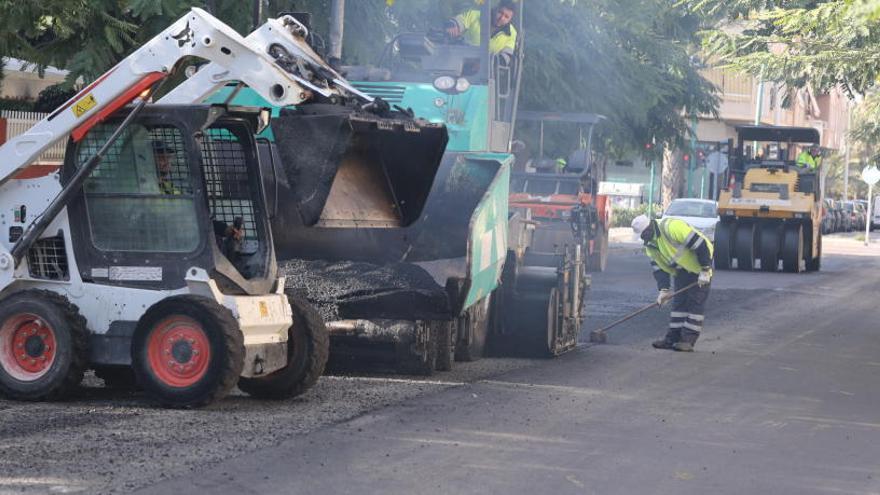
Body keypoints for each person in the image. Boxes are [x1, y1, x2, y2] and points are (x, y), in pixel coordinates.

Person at [631, 214, 714, 352]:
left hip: (700, 264)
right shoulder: (650, 246)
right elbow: (659, 270)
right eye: (641, 236)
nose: (642, 238)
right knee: (679, 304)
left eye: (643, 234)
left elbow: (700, 244)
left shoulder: (671, 227)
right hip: (681, 270)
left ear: (649, 228)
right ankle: (672, 339)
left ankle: (688, 341)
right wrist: (664, 290)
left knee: (695, 303)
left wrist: (705, 269)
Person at [445, 1, 517, 58]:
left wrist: (498, 61)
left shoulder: (512, 33)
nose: (501, 18)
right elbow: (458, 21)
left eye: (506, 17)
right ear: (496, 8)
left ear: (510, 19)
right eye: (500, 12)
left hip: (488, 72)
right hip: (461, 61)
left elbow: (506, 56)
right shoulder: (475, 15)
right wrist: (453, 26)